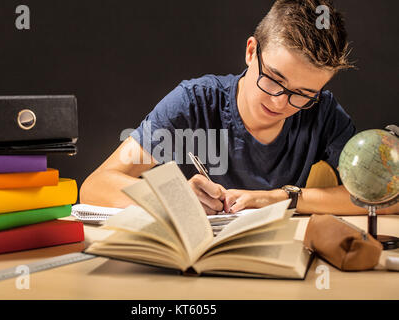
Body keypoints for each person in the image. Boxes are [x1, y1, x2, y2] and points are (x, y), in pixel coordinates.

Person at [80, 0, 398, 215]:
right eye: (274, 79)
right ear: (251, 52)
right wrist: (176, 200)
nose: (280, 102)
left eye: (303, 94)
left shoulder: (323, 112)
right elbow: (96, 186)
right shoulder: (194, 101)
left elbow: (384, 197)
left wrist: (283, 198)